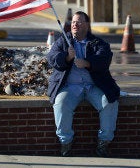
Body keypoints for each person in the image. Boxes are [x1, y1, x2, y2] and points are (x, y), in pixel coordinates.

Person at [46, 11, 120, 157]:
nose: (75, 24)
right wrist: (67, 57)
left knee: (109, 102)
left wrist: (87, 63)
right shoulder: (63, 41)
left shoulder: (97, 43)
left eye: (79, 22)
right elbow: (52, 58)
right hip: (70, 87)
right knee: (61, 103)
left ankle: (103, 142)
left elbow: (105, 59)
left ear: (87, 25)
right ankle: (65, 141)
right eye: (73, 22)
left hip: (94, 86)